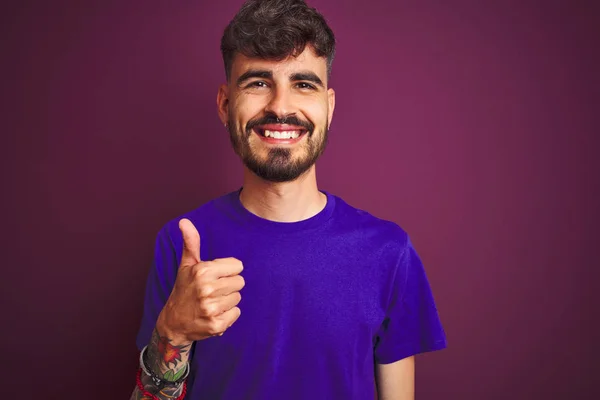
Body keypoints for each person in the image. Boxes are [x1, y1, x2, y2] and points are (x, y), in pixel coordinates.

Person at [131, 0, 447, 399]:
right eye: (258, 82)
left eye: (303, 83)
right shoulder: (181, 243)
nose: (280, 107)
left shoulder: (389, 251)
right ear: (226, 105)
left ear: (328, 107)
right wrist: (171, 332)